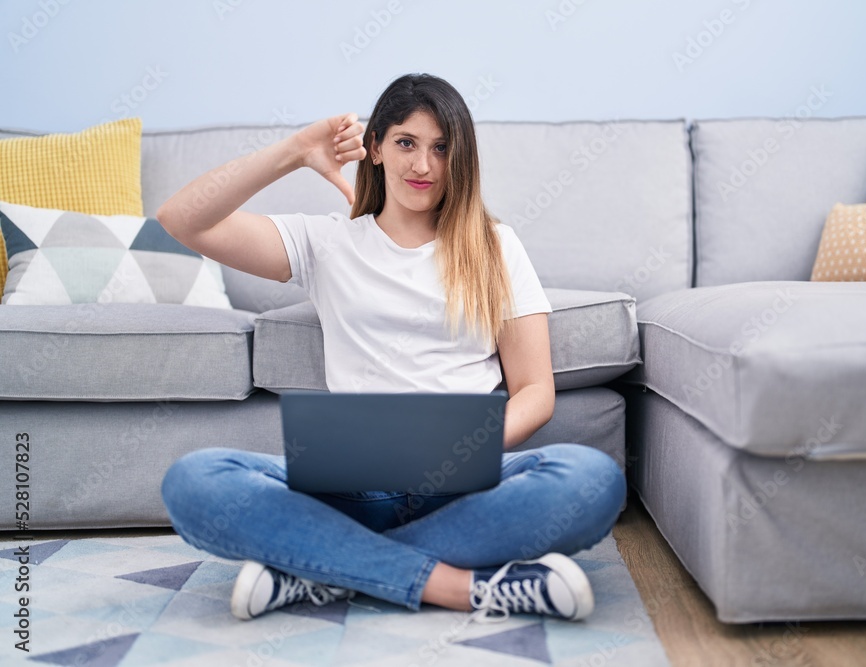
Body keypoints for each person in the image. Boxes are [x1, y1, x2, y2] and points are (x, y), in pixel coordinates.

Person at [158, 73, 626, 625]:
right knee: (194, 482)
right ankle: (461, 588)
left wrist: (462, 450)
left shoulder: (496, 246)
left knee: (594, 480)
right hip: (350, 490)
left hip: (464, 486)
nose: (423, 166)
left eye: (441, 148)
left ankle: (321, 565)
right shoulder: (328, 242)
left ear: (461, 159)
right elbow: (182, 218)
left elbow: (534, 391)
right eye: (406, 143)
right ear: (374, 147)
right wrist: (296, 151)